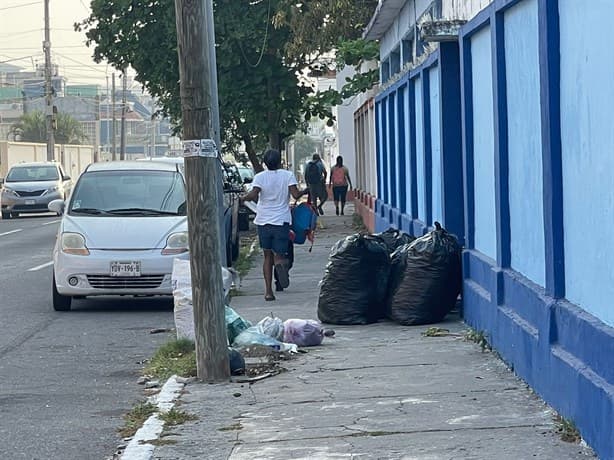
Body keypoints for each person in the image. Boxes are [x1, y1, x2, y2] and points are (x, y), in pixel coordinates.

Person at [240, 149, 308, 301]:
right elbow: (295, 195)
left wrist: (243, 198)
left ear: (264, 163)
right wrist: (305, 191)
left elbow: (253, 194)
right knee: (279, 254)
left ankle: (268, 292)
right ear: (279, 162)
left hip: (263, 220)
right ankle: (281, 265)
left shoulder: (259, 177)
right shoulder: (287, 175)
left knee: (266, 256)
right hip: (281, 220)